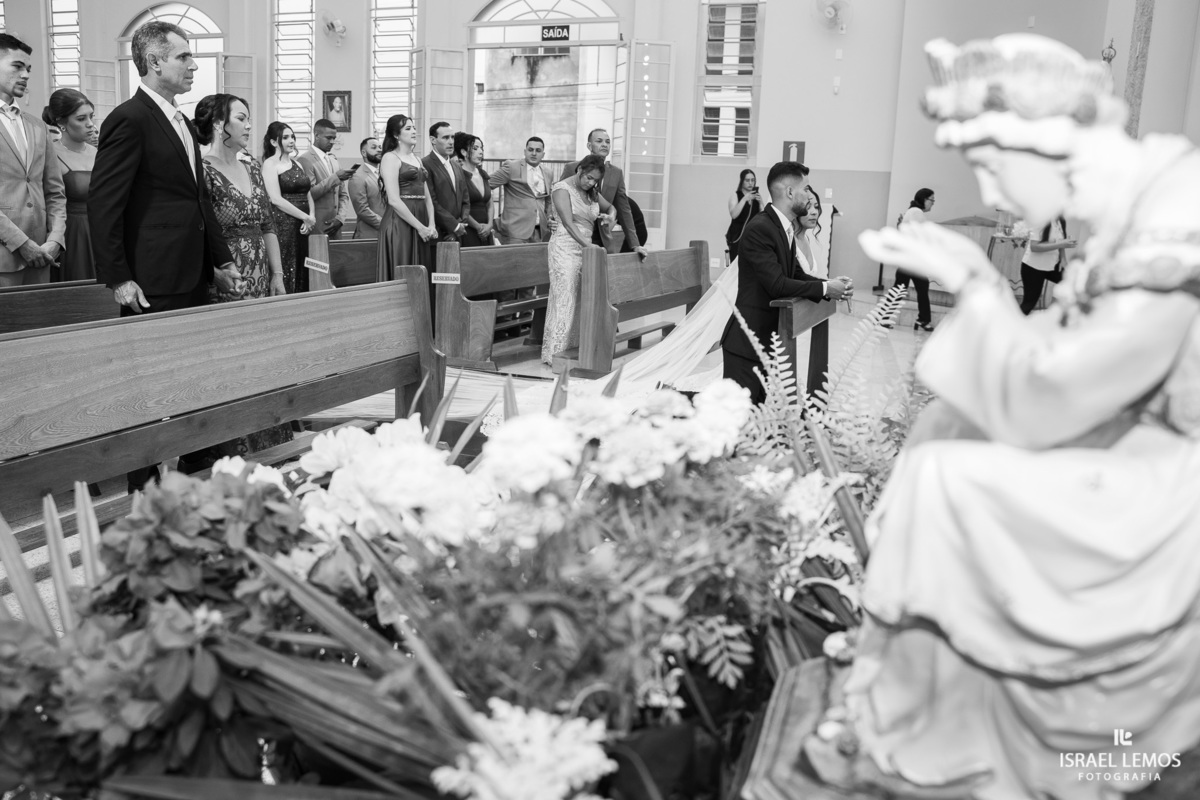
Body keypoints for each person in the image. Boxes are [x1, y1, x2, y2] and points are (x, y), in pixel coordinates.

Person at [805, 34, 1200, 800]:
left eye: (991, 164)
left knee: (950, 476)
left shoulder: (1174, 215)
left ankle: (932, 701)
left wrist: (977, 283)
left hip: (1165, 463)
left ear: (1043, 137)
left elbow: (1058, 392)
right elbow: (1067, 348)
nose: (990, 193)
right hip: (1120, 423)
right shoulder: (1136, 206)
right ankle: (920, 680)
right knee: (940, 430)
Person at [88, 20, 241, 492]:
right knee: (151, 388)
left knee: (193, 380)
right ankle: (144, 489)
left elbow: (198, 199)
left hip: (192, 272)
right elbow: (104, 203)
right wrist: (118, 277)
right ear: (155, 62)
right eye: (183, 57)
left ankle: (191, 479)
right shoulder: (129, 119)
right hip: (152, 279)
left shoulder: (180, 120)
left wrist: (222, 260)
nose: (194, 64)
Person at [719, 161, 852, 405]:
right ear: (790, 192)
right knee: (737, 421)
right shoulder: (761, 228)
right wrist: (825, 289)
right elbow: (778, 285)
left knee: (757, 422)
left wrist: (829, 284)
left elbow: (796, 274)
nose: (810, 195)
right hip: (747, 345)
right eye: (806, 189)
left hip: (768, 341)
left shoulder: (783, 227)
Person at [0, 34, 66, 288]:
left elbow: (55, 192)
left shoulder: (37, 126)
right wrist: (22, 243)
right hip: (5, 256)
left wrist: (56, 239)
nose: (26, 75)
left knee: (42, 326)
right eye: (17, 66)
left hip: (42, 255)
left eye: (28, 69)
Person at [543, 154, 616, 365]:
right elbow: (567, 222)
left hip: (586, 251)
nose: (591, 183)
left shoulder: (591, 193)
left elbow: (611, 208)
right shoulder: (561, 189)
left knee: (580, 299)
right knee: (564, 297)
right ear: (580, 170)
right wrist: (589, 246)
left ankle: (573, 351)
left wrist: (609, 217)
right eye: (588, 178)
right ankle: (555, 353)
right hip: (564, 248)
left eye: (595, 180)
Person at [560, 128, 648, 257]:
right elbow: (559, 197)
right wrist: (552, 218)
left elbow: (624, 209)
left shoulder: (616, 173)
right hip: (575, 232)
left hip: (601, 235)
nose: (604, 145)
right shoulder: (572, 168)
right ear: (589, 145)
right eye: (599, 141)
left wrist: (634, 245)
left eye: (607, 142)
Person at [376, 113, 435, 284]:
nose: (414, 131)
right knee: (403, 271)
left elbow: (427, 197)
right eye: (408, 128)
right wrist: (420, 227)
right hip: (400, 223)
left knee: (420, 271)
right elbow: (393, 200)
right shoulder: (390, 158)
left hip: (421, 219)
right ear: (396, 135)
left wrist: (431, 224)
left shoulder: (417, 159)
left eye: (414, 127)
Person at [44, 87, 95, 282]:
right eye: (81, 119)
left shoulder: (99, 153)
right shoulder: (51, 154)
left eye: (91, 116)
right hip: (73, 234)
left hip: (101, 229)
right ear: (62, 123)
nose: (90, 124)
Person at [261, 121, 315, 295]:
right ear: (273, 142)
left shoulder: (297, 163)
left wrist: (311, 216)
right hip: (284, 223)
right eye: (285, 137)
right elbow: (275, 199)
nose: (291, 140)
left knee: (303, 265)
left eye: (292, 136)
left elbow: (308, 193)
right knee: (288, 264)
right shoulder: (270, 164)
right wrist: (304, 217)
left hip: (304, 224)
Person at [297, 118, 353, 267]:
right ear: (316, 136)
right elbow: (309, 194)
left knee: (337, 267)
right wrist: (335, 178)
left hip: (335, 226)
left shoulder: (333, 160)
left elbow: (343, 195)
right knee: (318, 270)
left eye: (334, 138)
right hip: (317, 226)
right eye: (329, 138)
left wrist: (340, 218)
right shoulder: (305, 160)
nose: (332, 142)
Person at [798, 186, 832, 397]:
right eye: (808, 206)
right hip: (790, 319)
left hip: (804, 320)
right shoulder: (787, 240)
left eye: (817, 207)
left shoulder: (808, 240)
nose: (814, 212)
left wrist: (832, 284)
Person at [891, 187, 936, 331]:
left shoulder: (912, 211)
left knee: (919, 288)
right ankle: (884, 318)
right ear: (924, 199)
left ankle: (923, 320)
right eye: (931, 200)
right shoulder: (916, 212)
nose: (933, 203)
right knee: (900, 290)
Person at [422, 121, 470, 245]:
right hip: (437, 234)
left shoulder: (456, 165)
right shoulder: (425, 164)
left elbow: (465, 199)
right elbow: (431, 201)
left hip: (457, 234)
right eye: (445, 137)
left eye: (452, 137)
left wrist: (459, 226)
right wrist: (453, 226)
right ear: (433, 140)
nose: (451, 142)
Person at [1017, 215, 1075, 314]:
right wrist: (1062, 244)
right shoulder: (1041, 220)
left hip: (1053, 265)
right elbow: (1034, 247)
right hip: (1033, 267)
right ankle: (1014, 325)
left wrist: (1063, 259)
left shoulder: (1060, 220)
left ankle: (1058, 313)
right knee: (1029, 304)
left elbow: (1061, 241)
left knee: (1071, 282)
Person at [454, 131, 494, 248]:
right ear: (463, 152)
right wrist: (478, 227)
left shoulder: (482, 173)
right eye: (475, 148)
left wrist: (490, 224)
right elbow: (460, 207)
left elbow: (490, 203)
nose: (481, 152)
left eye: (481, 148)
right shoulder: (459, 175)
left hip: (486, 229)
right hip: (468, 229)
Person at [349, 136, 384, 240]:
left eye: (380, 147)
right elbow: (362, 210)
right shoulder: (357, 176)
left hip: (388, 233)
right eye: (374, 147)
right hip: (370, 234)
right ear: (364, 153)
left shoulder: (383, 173)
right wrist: (385, 224)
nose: (379, 150)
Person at [725, 168, 764, 262]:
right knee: (736, 265)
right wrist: (744, 199)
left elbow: (763, 217)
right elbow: (734, 215)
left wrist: (761, 203)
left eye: (753, 180)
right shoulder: (735, 195)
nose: (750, 183)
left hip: (752, 237)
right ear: (742, 181)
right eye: (747, 180)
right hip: (737, 237)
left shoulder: (757, 196)